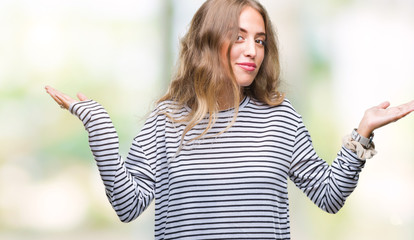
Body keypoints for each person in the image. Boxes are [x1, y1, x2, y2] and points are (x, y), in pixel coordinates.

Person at [45, 0, 414, 239]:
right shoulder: (165, 120)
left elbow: (329, 196)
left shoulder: (280, 118)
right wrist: (99, 127)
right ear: (208, 42)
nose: (252, 50)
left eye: (260, 39)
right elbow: (129, 206)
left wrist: (362, 133)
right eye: (238, 38)